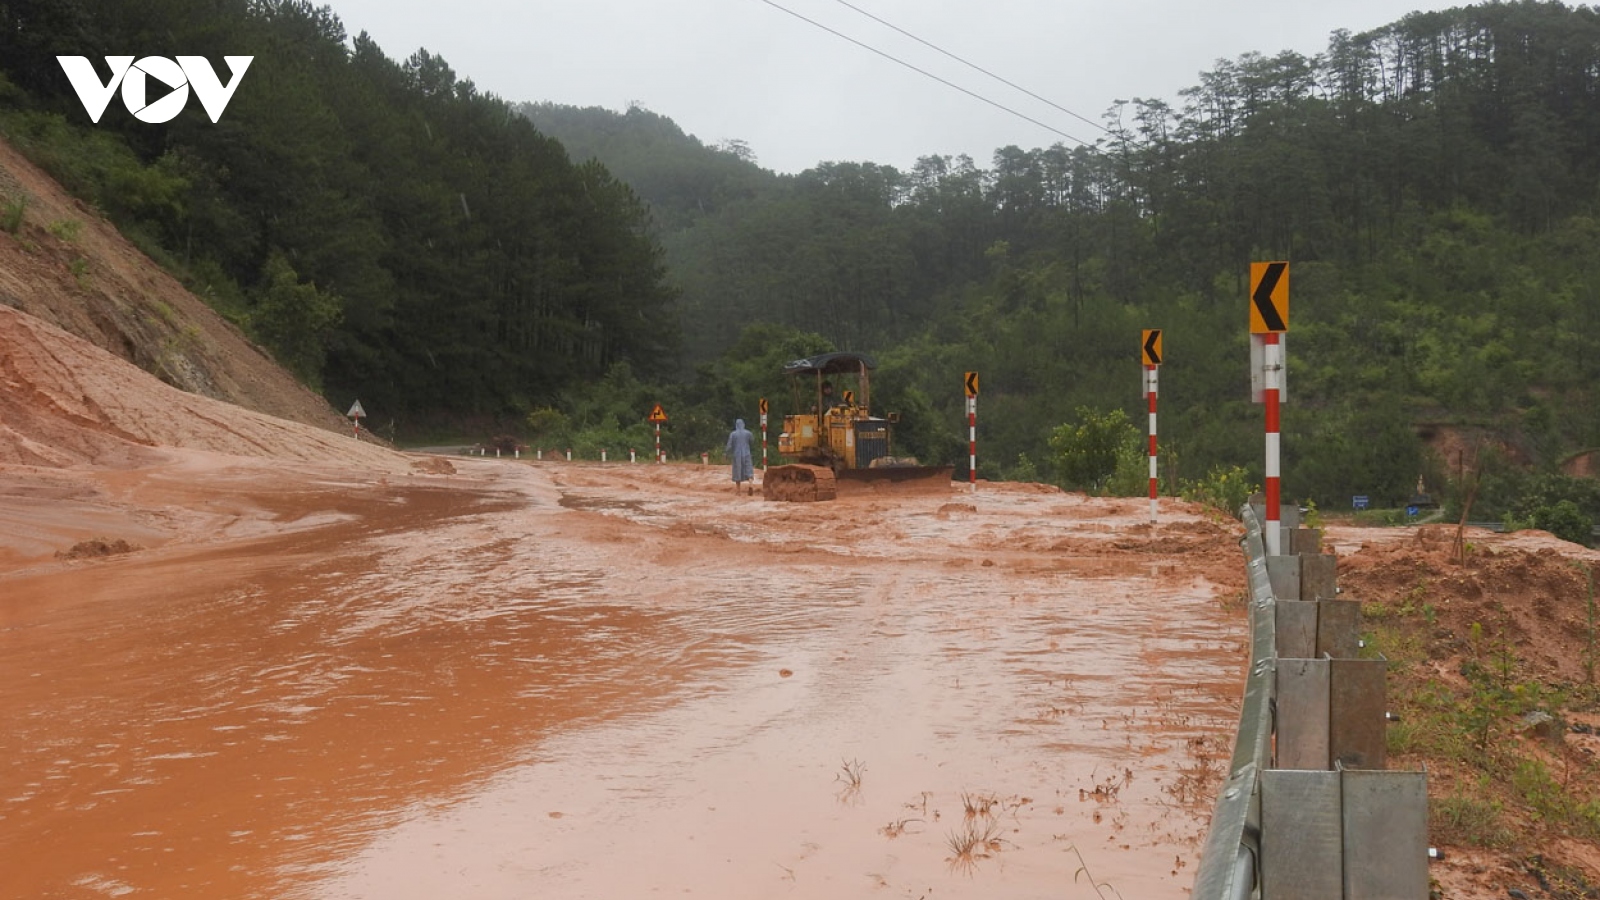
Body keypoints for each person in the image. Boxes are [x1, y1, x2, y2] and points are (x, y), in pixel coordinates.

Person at [726, 418, 755, 495]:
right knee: (749, 470)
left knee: (737, 471)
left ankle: (738, 491)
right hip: (747, 454)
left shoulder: (733, 434)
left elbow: (729, 445)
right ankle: (751, 485)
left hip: (737, 455)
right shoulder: (748, 433)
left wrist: (726, 453)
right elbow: (752, 441)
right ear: (743, 424)